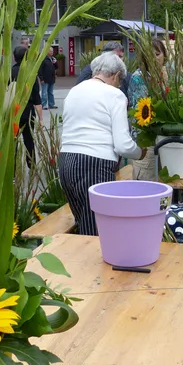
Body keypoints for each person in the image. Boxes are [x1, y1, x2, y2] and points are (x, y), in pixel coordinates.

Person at [59, 53, 144, 235]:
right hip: (95, 163)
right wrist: (140, 152)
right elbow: (122, 145)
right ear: (115, 76)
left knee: (83, 224)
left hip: (66, 160)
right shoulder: (115, 94)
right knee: (99, 230)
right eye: (120, 81)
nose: (119, 84)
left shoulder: (74, 91)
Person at [127, 38, 167, 181]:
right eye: (149, 55)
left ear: (164, 55)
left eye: (157, 54)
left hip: (164, 140)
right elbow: (141, 113)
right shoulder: (139, 78)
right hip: (147, 142)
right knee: (147, 182)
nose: (154, 58)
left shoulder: (166, 75)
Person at [11, 46, 43, 167]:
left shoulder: (9, 72)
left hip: (12, 112)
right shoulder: (31, 74)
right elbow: (36, 98)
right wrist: (41, 118)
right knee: (29, 140)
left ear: (14, 57)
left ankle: (12, 171)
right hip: (28, 112)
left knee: (12, 142)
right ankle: (32, 165)